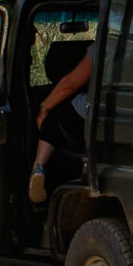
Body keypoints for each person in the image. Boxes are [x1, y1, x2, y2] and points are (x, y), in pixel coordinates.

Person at [27, 37, 94, 204]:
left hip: (87, 114)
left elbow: (71, 83)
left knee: (55, 110)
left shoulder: (105, 45)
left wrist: (44, 108)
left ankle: (38, 167)